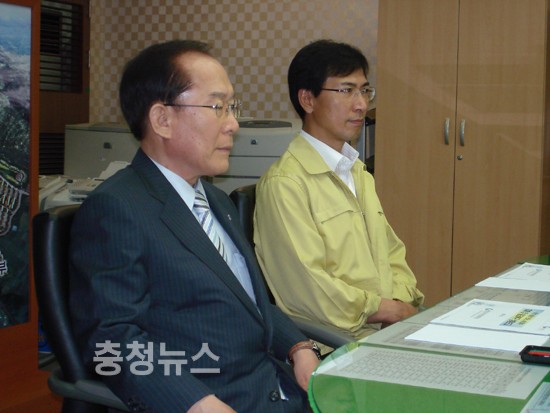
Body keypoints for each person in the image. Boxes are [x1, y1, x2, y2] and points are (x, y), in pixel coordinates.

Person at [69, 40, 320, 413]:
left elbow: (249, 303)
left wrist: (298, 346)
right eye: (218, 107)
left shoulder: (216, 200)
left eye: (231, 107)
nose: (233, 124)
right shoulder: (117, 208)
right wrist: (194, 402)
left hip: (276, 387)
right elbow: (112, 342)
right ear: (162, 120)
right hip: (218, 399)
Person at [254, 39, 425, 340]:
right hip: (335, 343)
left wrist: (400, 302)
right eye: (346, 91)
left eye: (364, 91)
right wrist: (385, 310)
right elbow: (308, 287)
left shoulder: (357, 172)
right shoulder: (285, 185)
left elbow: (391, 253)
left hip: (384, 330)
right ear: (308, 100)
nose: (361, 105)